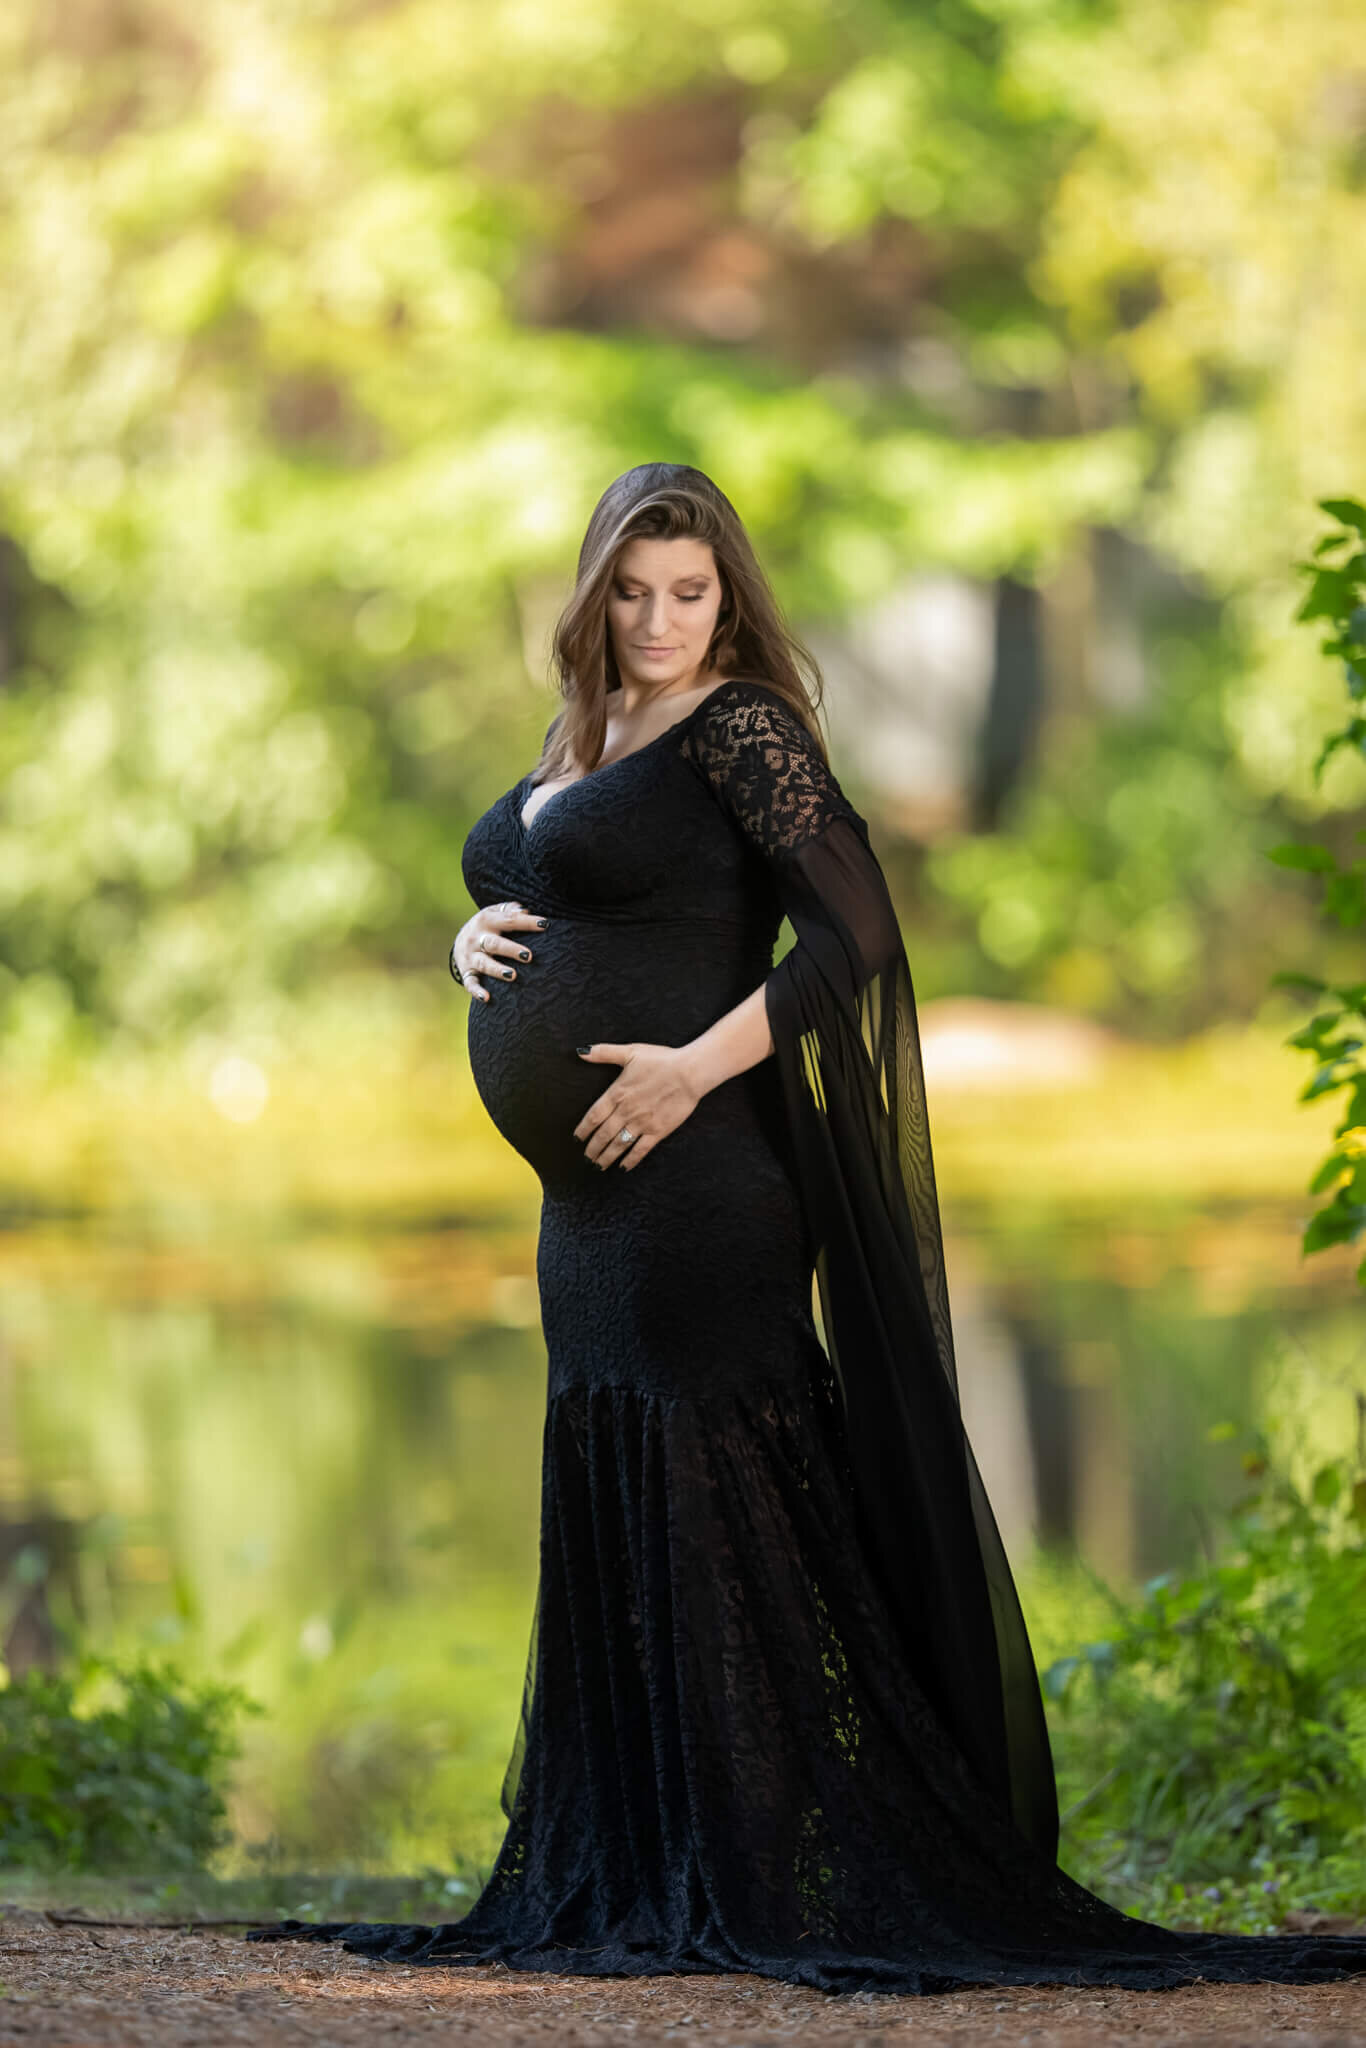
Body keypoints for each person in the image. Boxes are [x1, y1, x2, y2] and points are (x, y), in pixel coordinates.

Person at [247, 465, 1366, 1995]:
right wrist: (469, 941)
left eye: (689, 594)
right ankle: (661, 1853)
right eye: (631, 592)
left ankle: (771, 1860)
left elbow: (858, 936)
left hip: (699, 1185)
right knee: (627, 1491)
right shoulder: (580, 735)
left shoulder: (742, 728)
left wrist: (691, 1067)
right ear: (592, 594)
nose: (658, 620)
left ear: (729, 599)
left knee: (733, 1512)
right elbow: (550, 893)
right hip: (583, 1221)